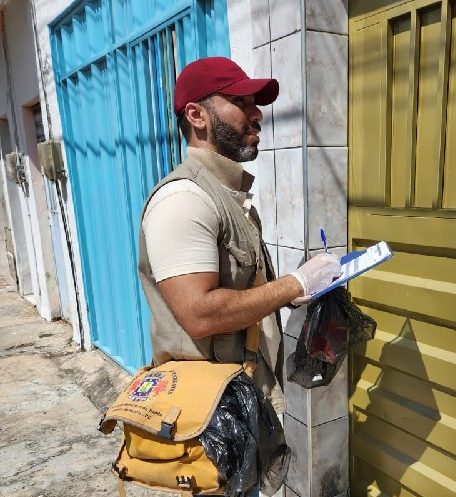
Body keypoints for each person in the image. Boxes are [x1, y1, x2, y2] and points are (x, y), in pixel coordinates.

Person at [137, 56, 341, 495]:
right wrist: (294, 284)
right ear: (197, 115)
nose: (256, 114)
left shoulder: (228, 195)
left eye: (256, 103)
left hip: (242, 398)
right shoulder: (184, 200)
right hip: (208, 418)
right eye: (241, 102)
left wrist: (290, 292)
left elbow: (235, 292)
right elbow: (200, 313)